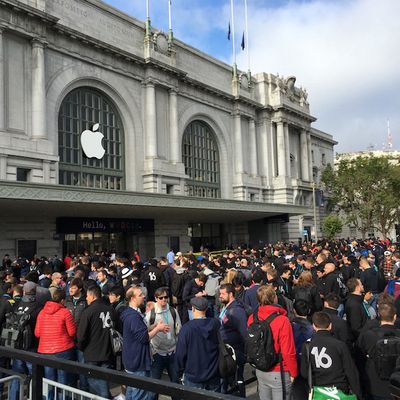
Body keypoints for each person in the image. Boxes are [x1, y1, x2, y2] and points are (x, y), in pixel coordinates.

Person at [247, 284, 297, 399]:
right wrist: (294, 372)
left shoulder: (252, 318)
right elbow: (288, 351)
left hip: (260, 367)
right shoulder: (282, 320)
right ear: (274, 298)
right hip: (279, 370)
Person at [121, 286, 169, 400]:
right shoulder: (133, 317)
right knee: (139, 393)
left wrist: (154, 326)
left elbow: (139, 331)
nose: (144, 296)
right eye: (140, 295)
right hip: (137, 362)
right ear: (132, 298)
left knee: (132, 391)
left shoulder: (130, 313)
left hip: (132, 360)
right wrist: (158, 329)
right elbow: (143, 337)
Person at [300, 312, 361, 399]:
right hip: (339, 391)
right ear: (330, 326)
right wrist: (358, 394)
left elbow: (304, 373)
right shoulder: (340, 345)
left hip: (318, 391)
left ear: (314, 326)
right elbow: (351, 372)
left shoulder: (307, 346)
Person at [34, 289, 76, 399]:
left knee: (49, 381)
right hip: (63, 349)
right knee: (63, 381)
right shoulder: (65, 312)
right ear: (62, 300)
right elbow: (72, 332)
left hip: (45, 350)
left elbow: (37, 333)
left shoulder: (42, 312)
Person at [77, 285, 116, 398]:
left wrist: (81, 347)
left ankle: (106, 397)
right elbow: (118, 329)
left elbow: (81, 336)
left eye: (87, 296)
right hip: (108, 351)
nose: (86, 298)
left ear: (92, 295)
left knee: (92, 378)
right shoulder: (111, 310)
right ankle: (106, 396)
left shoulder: (88, 311)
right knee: (103, 378)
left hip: (92, 353)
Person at [357, 303, 400, 400]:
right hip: (396, 385)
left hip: (374, 384)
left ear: (379, 316)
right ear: (395, 317)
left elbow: (359, 356)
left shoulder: (369, 335)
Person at [176, 297, 220, 391]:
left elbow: (180, 354)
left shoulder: (187, 329)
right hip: (213, 374)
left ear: (193, 309)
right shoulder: (215, 324)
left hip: (193, 376)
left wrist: (181, 370)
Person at [145, 287, 181, 399]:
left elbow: (178, 328)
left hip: (172, 352)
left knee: (175, 384)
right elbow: (144, 331)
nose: (164, 300)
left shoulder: (173, 311)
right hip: (157, 353)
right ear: (156, 298)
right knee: (154, 386)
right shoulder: (151, 314)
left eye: (166, 297)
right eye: (161, 298)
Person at [219, 283, 248, 397]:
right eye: (219, 293)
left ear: (231, 294)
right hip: (226, 351)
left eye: (222, 294)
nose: (220, 296)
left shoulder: (237, 311)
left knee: (236, 381)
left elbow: (244, 333)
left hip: (235, 352)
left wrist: (243, 354)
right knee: (226, 381)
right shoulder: (226, 307)